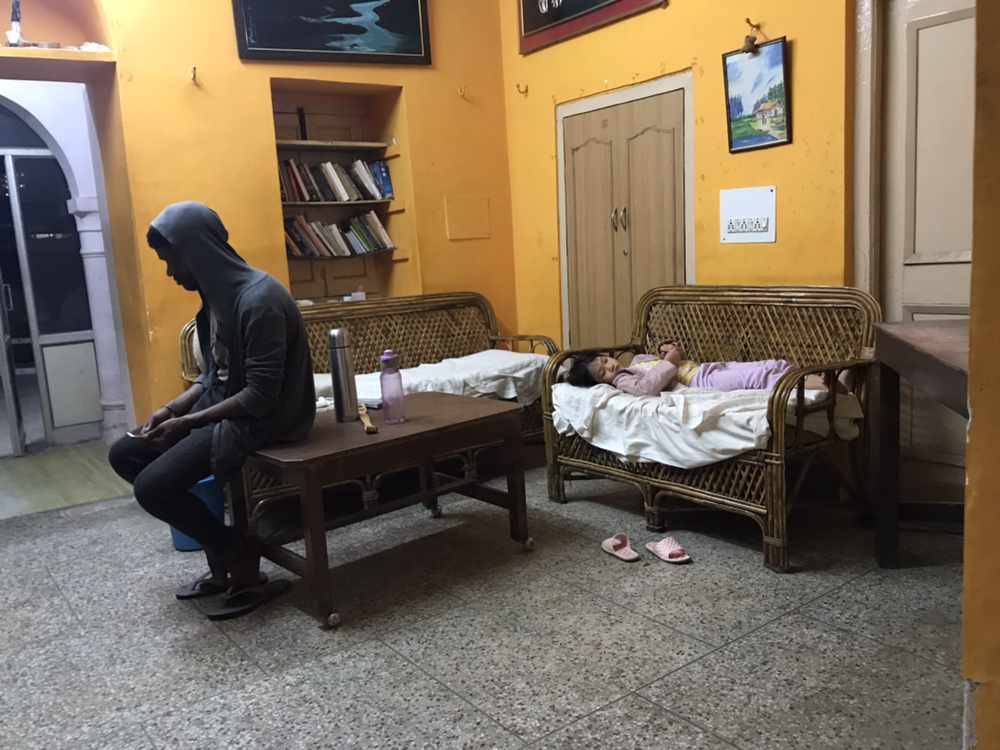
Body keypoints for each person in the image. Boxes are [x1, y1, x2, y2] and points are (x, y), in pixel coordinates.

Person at [108, 201, 316, 620]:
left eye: (174, 260)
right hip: (228, 407)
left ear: (199, 252)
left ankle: (235, 551)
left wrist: (189, 421)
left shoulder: (259, 300)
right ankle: (223, 547)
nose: (171, 272)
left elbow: (260, 396)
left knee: (152, 488)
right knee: (125, 453)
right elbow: (213, 375)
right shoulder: (214, 301)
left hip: (267, 419)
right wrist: (172, 409)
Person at [566, 337, 851, 397]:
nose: (610, 367)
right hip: (702, 384)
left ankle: (819, 380)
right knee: (758, 378)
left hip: (707, 369)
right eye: (603, 373)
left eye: (605, 361)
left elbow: (660, 363)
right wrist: (668, 363)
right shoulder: (623, 382)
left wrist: (666, 351)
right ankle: (821, 385)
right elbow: (646, 388)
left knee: (769, 365)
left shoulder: (637, 361)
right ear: (602, 383)